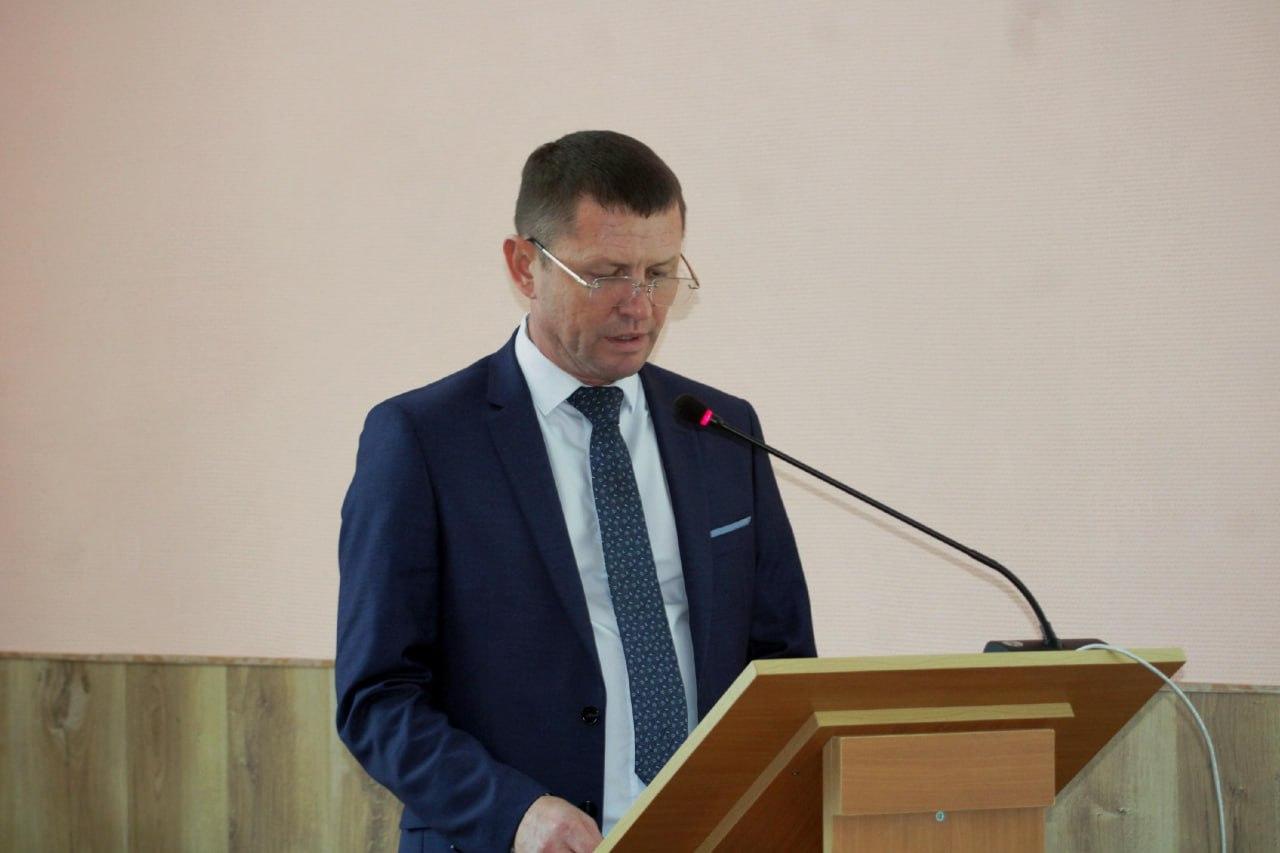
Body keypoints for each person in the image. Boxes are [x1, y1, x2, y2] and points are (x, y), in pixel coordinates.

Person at [336, 130, 816, 853]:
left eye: (659, 273)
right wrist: (515, 814)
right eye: (606, 274)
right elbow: (377, 697)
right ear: (523, 265)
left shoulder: (720, 429)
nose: (640, 306)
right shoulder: (424, 440)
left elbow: (779, 661)